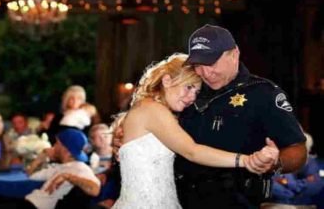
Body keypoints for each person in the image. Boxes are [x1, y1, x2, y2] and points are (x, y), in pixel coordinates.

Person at [112, 53, 278, 209]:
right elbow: (192, 151)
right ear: (167, 81)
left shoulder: (154, 111)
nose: (192, 97)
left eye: (196, 92)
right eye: (188, 87)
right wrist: (247, 160)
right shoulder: (151, 109)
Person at [174, 24, 307, 208]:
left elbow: (298, 150)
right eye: (198, 65)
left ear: (234, 54)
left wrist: (274, 163)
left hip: (237, 202)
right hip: (179, 201)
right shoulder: (186, 90)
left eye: (211, 63)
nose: (205, 73)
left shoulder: (263, 94)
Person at [0, 128, 100, 209]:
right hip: (28, 202)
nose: (53, 146)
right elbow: (30, 174)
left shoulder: (79, 168)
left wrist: (69, 177)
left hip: (34, 208)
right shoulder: (60, 167)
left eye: (57, 143)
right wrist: (42, 156)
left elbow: (95, 189)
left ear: (65, 148)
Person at [261, 132, 324, 209]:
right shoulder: (277, 161)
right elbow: (271, 185)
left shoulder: (313, 164)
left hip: (304, 204)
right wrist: (298, 186)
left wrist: (288, 183)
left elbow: (315, 185)